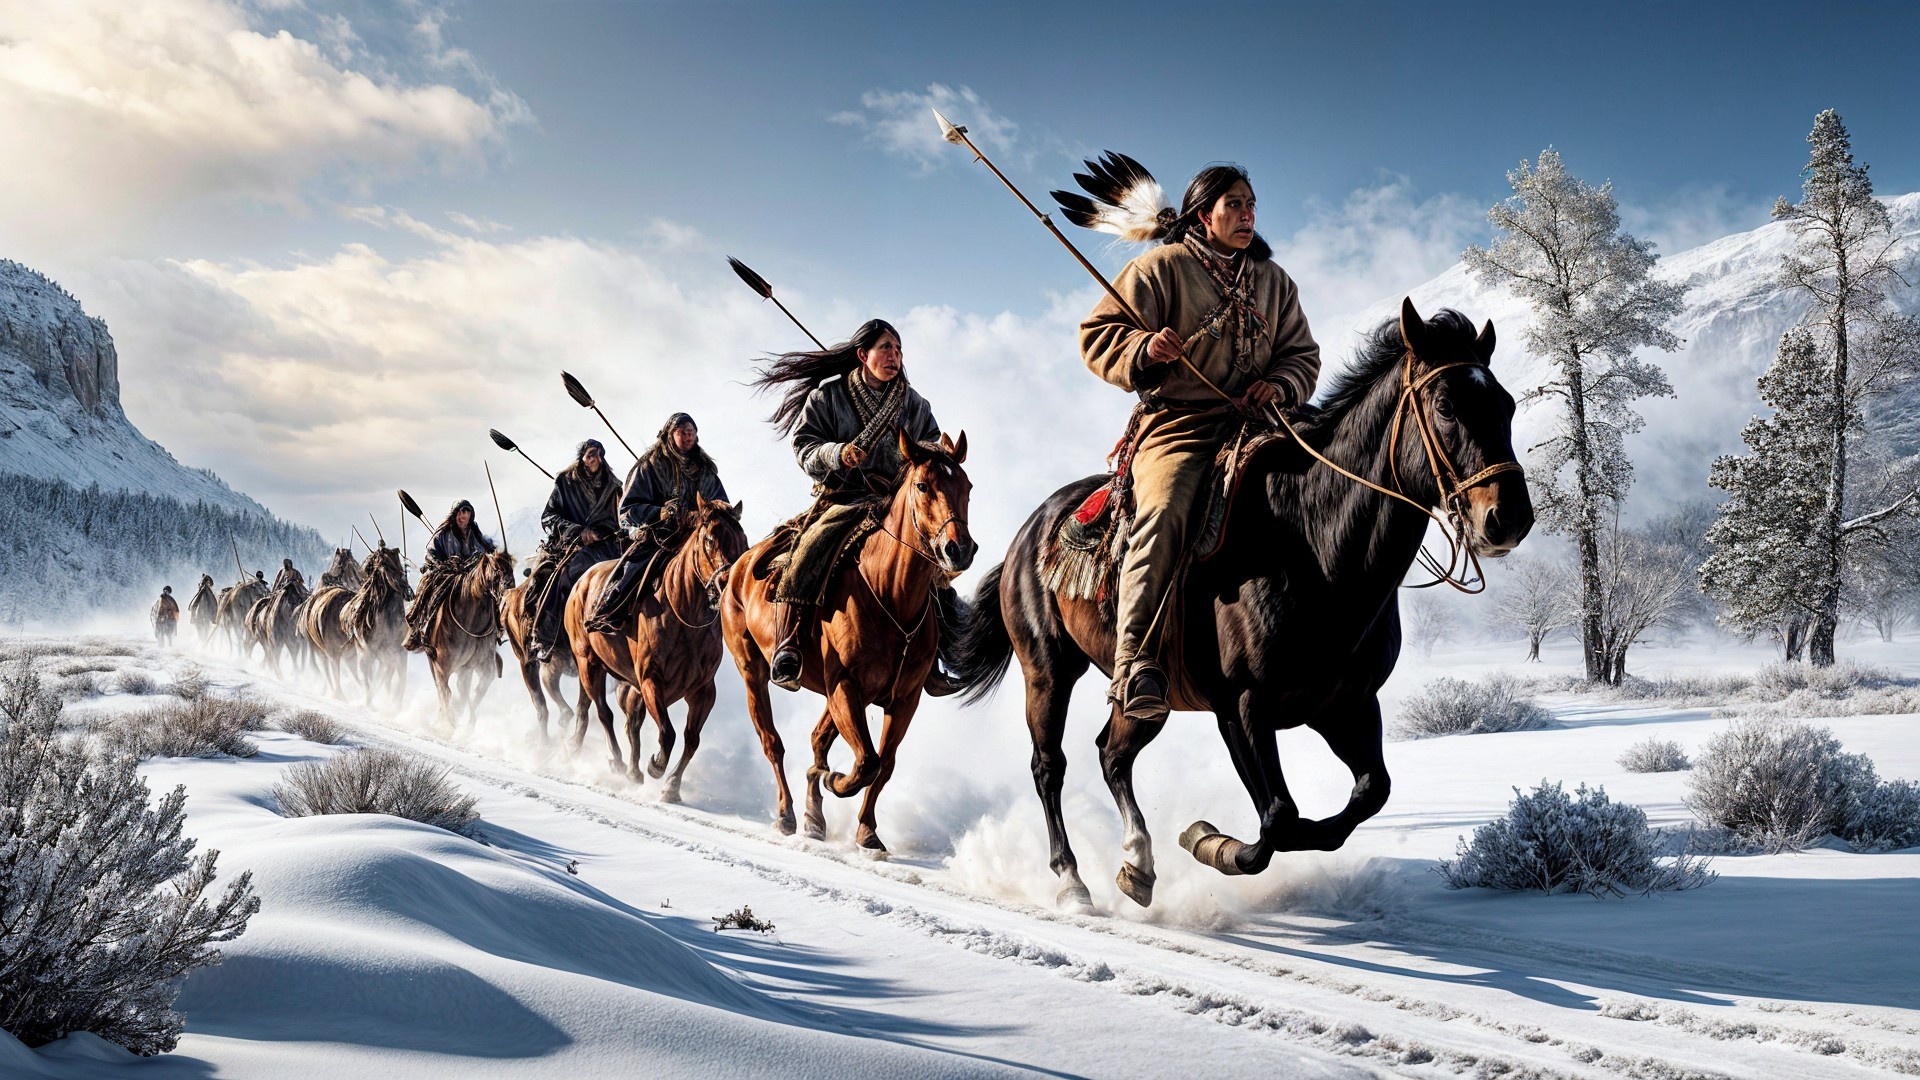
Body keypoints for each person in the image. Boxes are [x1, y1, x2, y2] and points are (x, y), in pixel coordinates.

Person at [1076, 162, 1322, 723]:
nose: (1246, 214)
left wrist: (1281, 383)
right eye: (1233, 204)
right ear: (1202, 213)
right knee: (1163, 511)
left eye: (1251, 204)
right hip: (1178, 426)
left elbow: (1302, 354)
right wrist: (1143, 349)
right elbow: (1097, 336)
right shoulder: (1161, 267)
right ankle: (1135, 661)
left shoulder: (1275, 281)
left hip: (1261, 422)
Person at [746, 318, 962, 693]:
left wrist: (940, 454)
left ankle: (936, 656)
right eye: (885, 348)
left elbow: (927, 454)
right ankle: (789, 645)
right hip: (844, 498)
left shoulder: (914, 403)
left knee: (935, 563)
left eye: (897, 349)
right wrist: (838, 454)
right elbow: (804, 446)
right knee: (810, 550)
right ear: (863, 355)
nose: (893, 356)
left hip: (898, 503)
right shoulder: (828, 397)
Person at [583, 414, 729, 635]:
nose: (689, 437)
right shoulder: (650, 465)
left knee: (729, 558)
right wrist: (659, 512)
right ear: (670, 435)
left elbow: (721, 502)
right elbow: (626, 511)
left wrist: (716, 512)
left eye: (692, 432)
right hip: (661, 537)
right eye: (683, 432)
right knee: (638, 564)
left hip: (700, 535)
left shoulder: (705, 469)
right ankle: (610, 611)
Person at [530, 439, 622, 661]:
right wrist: (579, 532)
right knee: (560, 578)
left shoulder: (614, 486)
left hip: (608, 546)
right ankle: (546, 635)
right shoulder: (565, 483)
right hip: (574, 545)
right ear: (582, 458)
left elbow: (622, 516)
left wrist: (612, 531)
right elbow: (549, 517)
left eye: (600, 454)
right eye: (591, 455)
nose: (596, 459)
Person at [403, 500, 498, 651]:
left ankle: (495, 631)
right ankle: (422, 629)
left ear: (470, 514)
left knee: (491, 592)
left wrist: (492, 552)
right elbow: (430, 553)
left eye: (465, 512)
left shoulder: (474, 532)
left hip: (470, 576)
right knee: (432, 593)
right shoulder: (443, 533)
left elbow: (487, 547)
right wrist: (443, 564)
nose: (462, 516)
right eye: (459, 512)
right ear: (454, 515)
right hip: (449, 575)